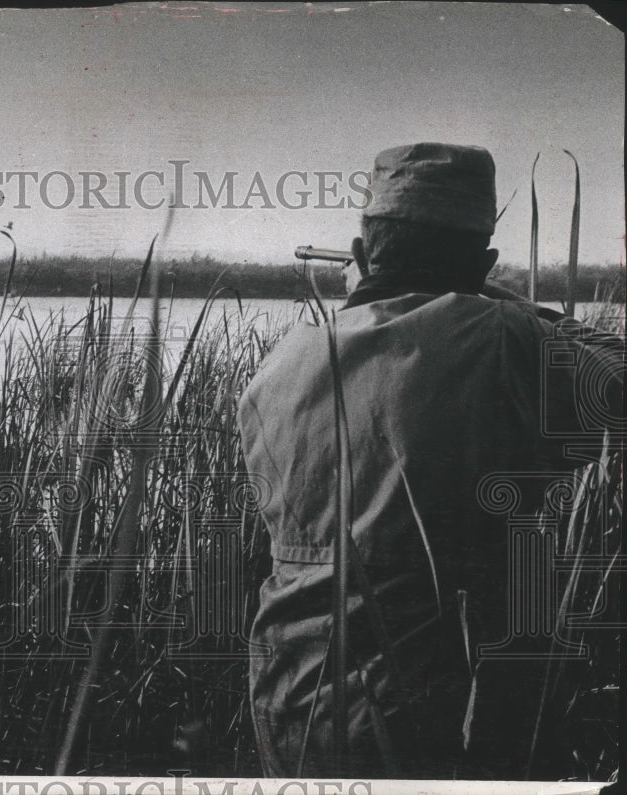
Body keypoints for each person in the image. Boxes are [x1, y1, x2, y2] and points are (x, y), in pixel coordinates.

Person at [237, 142, 623, 779]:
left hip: (289, 701)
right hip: (447, 712)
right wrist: (515, 304)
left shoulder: (279, 366)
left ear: (361, 256)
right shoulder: (507, 339)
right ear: (487, 263)